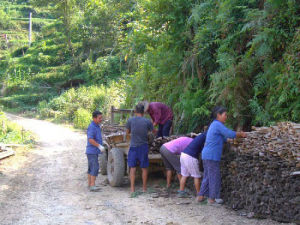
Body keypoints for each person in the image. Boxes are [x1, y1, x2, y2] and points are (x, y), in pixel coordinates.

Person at [197, 106, 247, 204]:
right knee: (214, 176)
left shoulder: (213, 125)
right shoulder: (217, 124)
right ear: (218, 115)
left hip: (206, 154)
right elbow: (228, 133)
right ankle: (212, 199)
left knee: (207, 176)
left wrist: (228, 140)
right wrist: (240, 134)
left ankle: (200, 196)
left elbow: (220, 137)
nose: (226, 117)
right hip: (212, 155)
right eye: (225, 115)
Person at [126, 103, 153, 196]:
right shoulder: (148, 121)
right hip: (144, 147)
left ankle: (132, 189)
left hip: (133, 147)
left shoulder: (130, 120)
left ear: (135, 111)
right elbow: (151, 133)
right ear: (144, 112)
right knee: (144, 168)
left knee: (132, 168)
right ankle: (144, 188)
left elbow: (127, 132)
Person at [177, 132, 207, 198]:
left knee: (184, 175)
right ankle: (199, 195)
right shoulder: (207, 136)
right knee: (196, 176)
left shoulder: (201, 136)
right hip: (190, 157)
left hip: (183, 154)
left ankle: (181, 192)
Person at [86, 110, 105, 192]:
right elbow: (90, 139)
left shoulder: (97, 126)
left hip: (92, 151)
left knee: (91, 168)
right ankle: (92, 185)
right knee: (95, 167)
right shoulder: (92, 127)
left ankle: (90, 184)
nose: (101, 119)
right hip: (92, 151)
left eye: (101, 118)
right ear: (94, 118)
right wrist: (99, 146)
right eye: (99, 118)